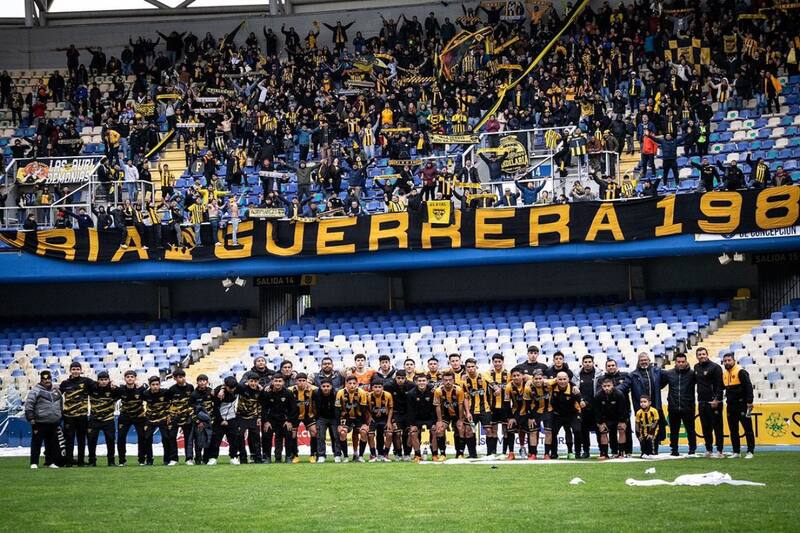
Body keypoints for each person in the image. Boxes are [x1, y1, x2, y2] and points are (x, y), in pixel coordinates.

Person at [629, 352, 665, 455]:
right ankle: (644, 451)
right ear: (638, 362)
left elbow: (666, 379)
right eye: (641, 360)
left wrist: (658, 388)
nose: (643, 362)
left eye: (645, 360)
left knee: (656, 429)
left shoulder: (657, 371)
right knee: (641, 431)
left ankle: (654, 451)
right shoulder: (633, 375)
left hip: (655, 406)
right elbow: (625, 386)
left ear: (649, 361)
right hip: (641, 408)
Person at [661, 353, 697, 456]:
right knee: (674, 430)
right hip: (673, 407)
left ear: (686, 362)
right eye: (678, 362)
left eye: (682, 362)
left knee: (690, 430)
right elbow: (660, 386)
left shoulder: (692, 374)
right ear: (675, 362)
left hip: (688, 407)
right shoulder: (669, 374)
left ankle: (692, 450)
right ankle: (674, 450)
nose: (681, 364)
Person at [25, 370, 62, 469]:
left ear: (51, 379)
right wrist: (32, 420)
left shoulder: (56, 391)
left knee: (51, 444)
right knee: (36, 443)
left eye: (48, 379)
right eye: (44, 379)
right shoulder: (35, 391)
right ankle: (34, 462)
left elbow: (61, 405)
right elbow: (29, 406)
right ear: (41, 380)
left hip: (53, 422)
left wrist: (59, 416)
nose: (47, 381)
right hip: (39, 422)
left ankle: (50, 462)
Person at [722, 352, 755, 459]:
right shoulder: (724, 374)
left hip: (742, 405)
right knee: (733, 430)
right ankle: (736, 452)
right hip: (730, 406)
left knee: (748, 429)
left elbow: (749, 387)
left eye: (729, 360)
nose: (727, 362)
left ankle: (750, 451)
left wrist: (749, 402)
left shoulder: (741, 372)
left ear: (734, 361)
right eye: (725, 361)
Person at [59, 361, 92, 467]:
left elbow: (99, 386)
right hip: (69, 417)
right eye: (73, 369)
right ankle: (69, 462)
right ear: (70, 370)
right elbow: (57, 396)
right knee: (69, 440)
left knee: (81, 440)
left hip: (82, 416)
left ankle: (81, 462)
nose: (76, 371)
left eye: (78, 369)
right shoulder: (65, 383)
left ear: (81, 370)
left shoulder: (86, 381)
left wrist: (111, 385)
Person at [694, 347, 725, 457]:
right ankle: (708, 449)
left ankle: (720, 450)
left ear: (707, 354)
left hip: (714, 402)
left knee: (717, 427)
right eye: (699, 354)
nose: (702, 356)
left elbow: (720, 385)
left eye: (703, 354)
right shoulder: (696, 367)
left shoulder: (715, 367)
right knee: (705, 427)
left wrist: (717, 399)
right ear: (697, 356)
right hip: (701, 402)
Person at [598, 359, 632, 456]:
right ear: (606, 367)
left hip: (623, 408)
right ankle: (614, 451)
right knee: (612, 432)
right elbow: (599, 392)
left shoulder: (624, 376)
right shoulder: (601, 379)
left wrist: (613, 390)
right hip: (608, 410)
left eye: (613, 365)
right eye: (609, 366)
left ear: (616, 366)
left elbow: (626, 386)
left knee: (625, 430)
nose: (611, 367)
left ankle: (628, 451)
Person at [462, 358, 495, 457]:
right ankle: (473, 455)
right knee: (468, 431)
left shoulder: (484, 376)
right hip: (471, 410)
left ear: (476, 367)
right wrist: (467, 412)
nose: (471, 369)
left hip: (485, 408)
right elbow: (465, 397)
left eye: (472, 366)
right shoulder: (464, 380)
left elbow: (494, 385)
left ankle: (490, 454)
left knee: (488, 430)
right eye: (468, 367)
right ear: (466, 368)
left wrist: (497, 390)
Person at [261, 373, 297, 463]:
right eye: (276, 381)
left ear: (283, 382)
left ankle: (288, 456)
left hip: (284, 420)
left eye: (280, 381)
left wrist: (289, 420)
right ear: (272, 382)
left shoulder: (288, 393)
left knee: (288, 435)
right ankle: (267, 457)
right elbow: (263, 408)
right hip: (270, 420)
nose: (278, 383)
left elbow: (293, 409)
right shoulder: (267, 393)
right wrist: (266, 421)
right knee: (266, 436)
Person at [433, 370, 466, 460]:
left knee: (461, 428)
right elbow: (437, 406)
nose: (448, 382)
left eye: (450, 380)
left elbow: (460, 405)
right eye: (446, 380)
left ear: (453, 380)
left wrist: (460, 419)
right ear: (442, 381)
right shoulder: (438, 391)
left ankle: (460, 453)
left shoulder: (458, 390)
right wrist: (439, 421)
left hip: (457, 414)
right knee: (439, 429)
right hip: (445, 414)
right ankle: (443, 454)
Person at [335, 375, 370, 462]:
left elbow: (364, 410)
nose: (352, 385)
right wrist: (339, 424)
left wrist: (365, 423)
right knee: (342, 432)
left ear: (357, 384)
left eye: (354, 383)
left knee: (363, 432)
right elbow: (337, 410)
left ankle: (360, 456)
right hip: (346, 418)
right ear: (346, 384)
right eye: (350, 383)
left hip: (359, 417)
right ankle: (346, 456)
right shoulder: (340, 393)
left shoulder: (362, 393)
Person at [209, 376, 242, 465]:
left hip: (232, 417)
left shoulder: (238, 387)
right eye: (230, 388)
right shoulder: (217, 392)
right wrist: (221, 420)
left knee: (234, 439)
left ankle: (233, 457)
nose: (232, 390)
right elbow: (215, 408)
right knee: (216, 439)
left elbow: (246, 385)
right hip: (219, 418)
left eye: (233, 388)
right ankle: (213, 458)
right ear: (225, 385)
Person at [115, 370, 146, 466]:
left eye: (132, 377)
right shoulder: (120, 389)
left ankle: (142, 460)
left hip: (139, 417)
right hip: (125, 417)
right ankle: (122, 461)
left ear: (135, 378)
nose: (130, 378)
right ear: (124, 378)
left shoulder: (141, 389)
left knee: (142, 437)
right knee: (121, 438)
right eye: (128, 377)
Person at [142, 376, 174, 466]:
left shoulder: (165, 392)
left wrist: (169, 415)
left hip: (163, 418)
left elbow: (173, 400)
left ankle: (167, 459)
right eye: (153, 385)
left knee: (166, 438)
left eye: (157, 384)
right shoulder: (145, 394)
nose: (155, 386)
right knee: (147, 438)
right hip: (150, 419)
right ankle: (149, 460)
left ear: (160, 384)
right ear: (150, 385)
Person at [549, 371, 582, 459]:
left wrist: (583, 403)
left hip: (572, 413)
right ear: (556, 380)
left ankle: (577, 452)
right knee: (552, 432)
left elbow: (581, 401)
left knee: (577, 430)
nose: (562, 381)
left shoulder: (574, 389)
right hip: (558, 414)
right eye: (560, 379)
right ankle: (554, 453)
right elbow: (542, 381)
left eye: (564, 379)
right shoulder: (552, 387)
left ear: (568, 379)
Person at [86, 371, 117, 467]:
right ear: (98, 380)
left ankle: (111, 461)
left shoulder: (114, 389)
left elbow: (127, 392)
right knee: (91, 440)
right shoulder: (92, 388)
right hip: (94, 419)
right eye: (101, 380)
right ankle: (92, 461)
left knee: (110, 440)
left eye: (105, 379)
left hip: (108, 419)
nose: (103, 381)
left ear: (109, 380)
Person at [594, 378, 629, 459]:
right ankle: (604, 454)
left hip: (618, 417)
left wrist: (622, 421)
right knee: (603, 431)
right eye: (604, 386)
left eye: (608, 386)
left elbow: (623, 409)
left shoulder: (619, 394)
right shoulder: (598, 395)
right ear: (602, 386)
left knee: (621, 430)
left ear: (612, 386)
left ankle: (621, 453)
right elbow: (597, 411)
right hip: (605, 417)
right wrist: (601, 422)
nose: (606, 388)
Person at [383, 369, 414, 461]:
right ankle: (398, 453)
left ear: (406, 378)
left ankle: (407, 453)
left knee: (408, 433)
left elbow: (424, 386)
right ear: (395, 378)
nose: (400, 380)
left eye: (403, 378)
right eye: (398, 378)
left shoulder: (411, 385)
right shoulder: (388, 386)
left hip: (408, 413)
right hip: (395, 412)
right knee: (397, 433)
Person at [406, 373, 438, 462]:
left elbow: (435, 408)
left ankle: (435, 454)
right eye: (419, 381)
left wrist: (435, 422)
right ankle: (417, 455)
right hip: (417, 418)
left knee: (434, 431)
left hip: (429, 418)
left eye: (423, 381)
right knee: (413, 432)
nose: (421, 383)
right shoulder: (411, 394)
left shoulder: (433, 392)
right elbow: (410, 410)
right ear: (416, 382)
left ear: (427, 382)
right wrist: (412, 424)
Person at [503, 368, 533, 460]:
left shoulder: (528, 385)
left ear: (522, 376)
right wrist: (510, 417)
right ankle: (511, 453)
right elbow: (506, 403)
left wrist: (530, 417)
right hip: (515, 411)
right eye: (514, 376)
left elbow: (529, 403)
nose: (516, 377)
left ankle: (531, 453)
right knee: (510, 428)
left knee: (529, 430)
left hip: (527, 411)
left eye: (518, 375)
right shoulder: (508, 387)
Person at [168, 369, 195, 465]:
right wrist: (169, 416)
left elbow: (192, 401)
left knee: (188, 439)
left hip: (187, 417)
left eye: (183, 376)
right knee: (172, 437)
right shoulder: (172, 389)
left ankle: (189, 459)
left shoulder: (190, 387)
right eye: (179, 377)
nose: (182, 378)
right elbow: (168, 403)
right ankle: (174, 459)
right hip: (174, 418)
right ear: (175, 378)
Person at [576, 355, 602, 459]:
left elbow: (600, 389)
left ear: (593, 363)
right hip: (582, 407)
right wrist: (581, 401)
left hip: (596, 407)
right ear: (582, 363)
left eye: (589, 362)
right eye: (585, 362)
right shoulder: (577, 375)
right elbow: (575, 390)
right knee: (584, 430)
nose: (587, 364)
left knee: (598, 429)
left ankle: (602, 450)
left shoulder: (599, 374)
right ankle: (586, 451)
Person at [289, 372, 317, 463]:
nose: (301, 383)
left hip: (308, 415)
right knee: (293, 434)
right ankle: (295, 455)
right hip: (294, 416)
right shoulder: (290, 390)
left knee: (314, 432)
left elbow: (324, 389)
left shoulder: (313, 389)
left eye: (303, 380)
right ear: (296, 381)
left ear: (306, 381)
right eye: (299, 380)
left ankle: (313, 454)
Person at [236, 372, 264, 464]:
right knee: (240, 436)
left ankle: (257, 458)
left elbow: (260, 405)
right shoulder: (242, 388)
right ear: (247, 381)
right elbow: (230, 383)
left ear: (258, 382)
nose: (253, 383)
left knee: (256, 437)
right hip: (241, 416)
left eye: (255, 381)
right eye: (251, 381)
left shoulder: (260, 391)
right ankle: (243, 458)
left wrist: (259, 417)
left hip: (254, 417)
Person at [366, 376, 393, 461]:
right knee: (370, 434)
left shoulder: (388, 395)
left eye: (379, 387)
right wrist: (369, 417)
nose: (377, 389)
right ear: (372, 388)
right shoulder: (368, 396)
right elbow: (366, 408)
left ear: (382, 388)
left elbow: (391, 408)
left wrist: (389, 421)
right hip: (373, 419)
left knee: (389, 434)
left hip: (384, 419)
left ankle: (385, 454)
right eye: (375, 387)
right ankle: (373, 454)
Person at [190, 374, 215, 464]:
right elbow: (190, 409)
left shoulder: (211, 392)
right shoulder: (194, 394)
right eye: (200, 381)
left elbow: (215, 406)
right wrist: (197, 421)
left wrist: (212, 419)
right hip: (199, 422)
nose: (202, 383)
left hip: (210, 421)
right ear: (197, 382)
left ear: (207, 382)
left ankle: (206, 459)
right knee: (198, 441)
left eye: (204, 381)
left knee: (209, 440)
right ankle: (198, 459)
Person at [314, 378, 339, 462]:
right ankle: (321, 455)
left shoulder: (336, 393)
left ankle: (337, 455)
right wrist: (316, 417)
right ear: (320, 387)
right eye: (323, 386)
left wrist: (338, 418)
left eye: (328, 386)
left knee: (336, 437)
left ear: (331, 387)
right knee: (320, 437)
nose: (326, 388)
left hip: (334, 418)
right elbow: (313, 406)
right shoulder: (316, 393)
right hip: (321, 418)